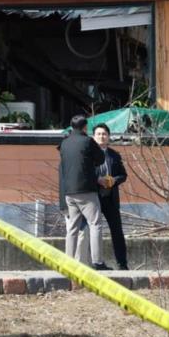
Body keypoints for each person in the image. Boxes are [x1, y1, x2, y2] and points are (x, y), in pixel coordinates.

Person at [59, 115, 111, 270]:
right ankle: (98, 261)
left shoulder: (64, 143)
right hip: (86, 190)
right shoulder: (88, 141)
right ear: (84, 127)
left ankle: (68, 261)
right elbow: (101, 158)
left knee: (73, 227)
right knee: (95, 224)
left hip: (69, 192)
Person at [92, 123, 129, 270]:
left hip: (110, 198)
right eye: (99, 134)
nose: (102, 137)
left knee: (117, 231)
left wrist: (114, 180)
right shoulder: (88, 154)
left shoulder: (114, 155)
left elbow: (123, 175)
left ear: (108, 137)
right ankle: (95, 262)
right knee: (93, 230)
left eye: (104, 134)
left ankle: (122, 263)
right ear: (93, 137)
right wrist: (97, 180)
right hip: (93, 198)